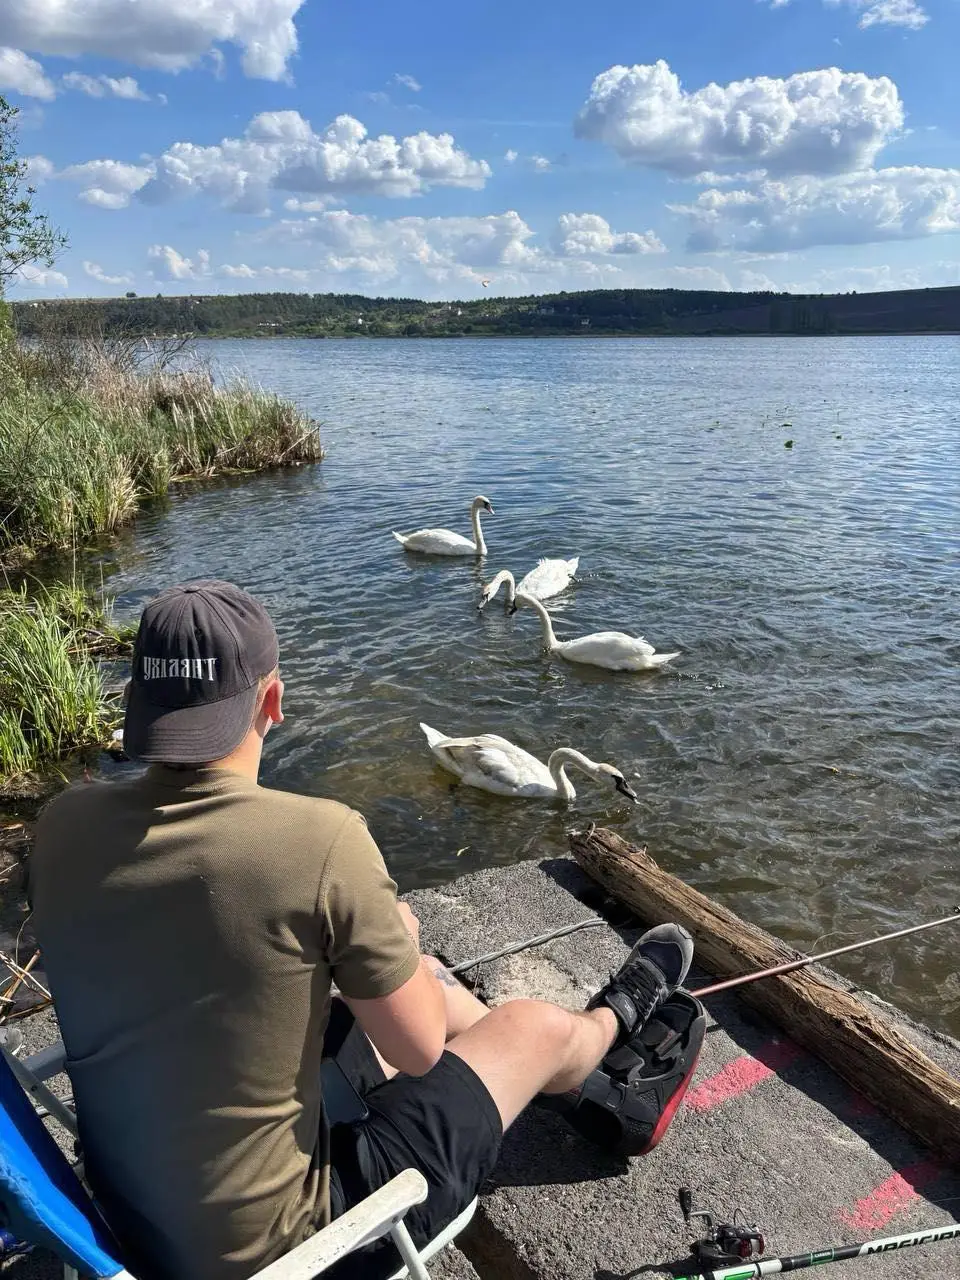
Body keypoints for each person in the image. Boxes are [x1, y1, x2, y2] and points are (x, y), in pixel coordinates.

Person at [29, 580, 696, 1280]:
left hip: (127, 1206)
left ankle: (582, 1091)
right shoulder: (319, 839)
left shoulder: (63, 824)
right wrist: (395, 941)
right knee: (525, 1022)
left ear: (140, 707)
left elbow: (189, 934)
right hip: (291, 1245)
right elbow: (415, 1052)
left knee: (400, 979)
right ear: (274, 700)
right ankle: (608, 1035)